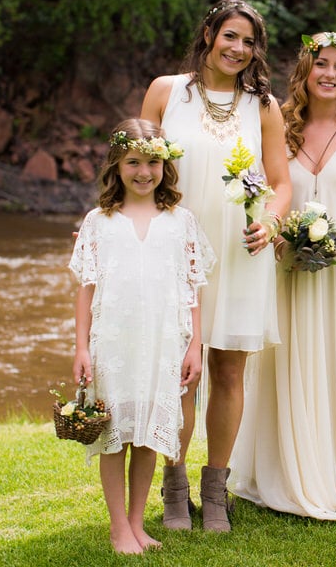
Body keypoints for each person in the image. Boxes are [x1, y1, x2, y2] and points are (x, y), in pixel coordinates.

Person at [230, 32, 336, 521]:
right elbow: (263, 193)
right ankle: (290, 469)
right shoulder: (277, 125)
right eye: (321, 64)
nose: (330, 74)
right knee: (294, 357)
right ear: (305, 69)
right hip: (289, 268)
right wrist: (278, 235)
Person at [140, 0, 292, 532]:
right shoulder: (166, 92)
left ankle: (217, 491)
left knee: (229, 370)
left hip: (240, 250)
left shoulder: (263, 105)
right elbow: (137, 168)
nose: (239, 48)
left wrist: (271, 222)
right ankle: (174, 488)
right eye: (230, 36)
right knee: (181, 374)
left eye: (249, 41)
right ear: (209, 34)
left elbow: (281, 181)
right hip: (176, 252)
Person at [70, 119, 215, 553]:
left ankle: (138, 523)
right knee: (114, 434)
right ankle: (118, 529)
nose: (143, 172)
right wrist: (81, 347)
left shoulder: (180, 221)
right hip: (113, 343)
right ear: (116, 165)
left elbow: (192, 289)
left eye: (153, 162)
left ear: (165, 164)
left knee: (149, 434)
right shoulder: (98, 221)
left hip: (162, 343)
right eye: (133, 162)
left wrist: (195, 345)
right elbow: (86, 289)